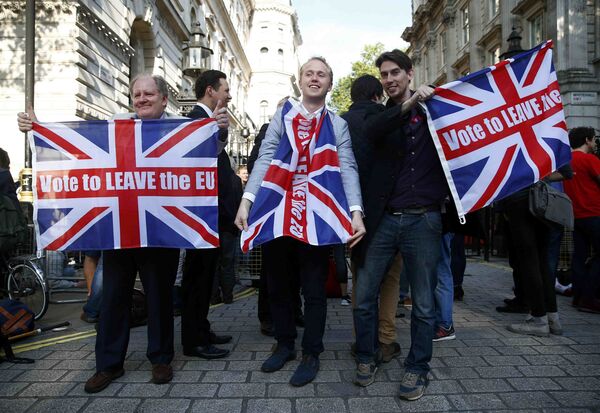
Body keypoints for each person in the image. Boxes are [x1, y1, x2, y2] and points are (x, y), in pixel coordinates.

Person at [17, 73, 230, 393]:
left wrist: (220, 131)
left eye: (148, 94)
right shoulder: (115, 125)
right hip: (118, 231)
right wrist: (38, 130)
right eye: (137, 95)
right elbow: (76, 154)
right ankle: (108, 365)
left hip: (160, 230)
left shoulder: (180, 129)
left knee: (159, 297)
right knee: (114, 299)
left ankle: (160, 359)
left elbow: (207, 156)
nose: (142, 99)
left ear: (164, 98)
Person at [235, 57, 365, 387]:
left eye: (321, 74)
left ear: (329, 84)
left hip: (317, 218)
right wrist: (247, 201)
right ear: (300, 80)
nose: (314, 78)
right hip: (279, 213)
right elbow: (264, 158)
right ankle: (284, 345)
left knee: (314, 290)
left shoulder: (337, 124)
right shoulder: (283, 116)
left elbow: (347, 167)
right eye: (309, 73)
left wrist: (355, 212)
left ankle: (312, 352)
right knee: (278, 285)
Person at [351, 49, 443, 401]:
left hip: (425, 220)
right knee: (363, 297)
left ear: (409, 73)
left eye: (395, 73)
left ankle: (417, 368)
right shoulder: (380, 115)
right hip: (386, 220)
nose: (389, 80)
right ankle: (366, 355)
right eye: (384, 75)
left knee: (422, 304)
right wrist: (410, 105)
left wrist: (429, 100)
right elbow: (375, 130)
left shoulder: (437, 109)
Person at [342, 75, 402, 361]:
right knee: (390, 279)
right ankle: (387, 339)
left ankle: (361, 339)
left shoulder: (339, 122)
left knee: (361, 279)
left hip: (354, 214)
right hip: (390, 210)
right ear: (378, 95)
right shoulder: (391, 117)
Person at [182, 70, 234, 358]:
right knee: (198, 279)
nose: (229, 94)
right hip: (200, 216)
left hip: (210, 216)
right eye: (225, 89)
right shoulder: (196, 122)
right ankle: (194, 341)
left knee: (204, 277)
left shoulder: (208, 120)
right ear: (211, 91)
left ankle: (201, 328)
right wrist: (218, 131)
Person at [500, 162, 572, 337]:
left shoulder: (510, 137)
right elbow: (566, 172)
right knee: (542, 262)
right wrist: (541, 178)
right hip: (543, 201)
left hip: (519, 200)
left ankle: (538, 319)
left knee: (528, 262)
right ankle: (552, 318)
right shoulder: (547, 135)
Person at [563, 127, 600, 313]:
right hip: (594, 213)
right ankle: (590, 296)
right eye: (593, 140)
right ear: (587, 140)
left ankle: (578, 296)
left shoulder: (567, 161)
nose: (594, 144)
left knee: (579, 257)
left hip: (575, 216)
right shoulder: (590, 160)